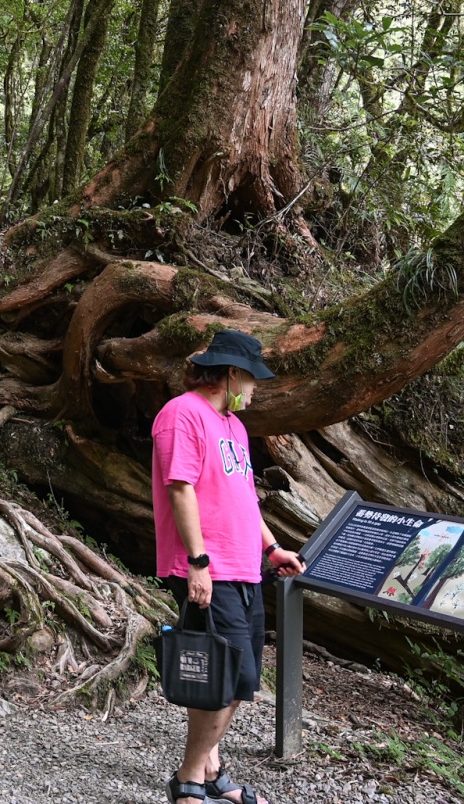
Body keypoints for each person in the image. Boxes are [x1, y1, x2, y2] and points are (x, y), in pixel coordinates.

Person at [153, 329, 305, 804]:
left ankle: (211, 769)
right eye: (253, 380)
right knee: (228, 679)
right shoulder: (183, 414)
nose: (256, 389)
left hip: (245, 569)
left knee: (236, 676)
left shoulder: (235, 427)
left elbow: (244, 498)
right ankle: (189, 780)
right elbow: (181, 488)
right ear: (232, 374)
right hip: (208, 569)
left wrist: (272, 548)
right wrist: (199, 562)